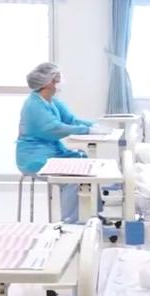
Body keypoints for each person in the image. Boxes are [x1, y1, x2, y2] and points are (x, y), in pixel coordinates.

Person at [16, 62, 109, 224]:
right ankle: (72, 223)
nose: (60, 81)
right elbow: (54, 128)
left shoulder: (52, 101)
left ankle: (94, 213)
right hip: (34, 158)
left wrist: (93, 126)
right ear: (47, 82)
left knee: (85, 161)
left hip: (52, 153)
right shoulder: (33, 106)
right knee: (72, 176)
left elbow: (71, 120)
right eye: (57, 77)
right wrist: (86, 131)